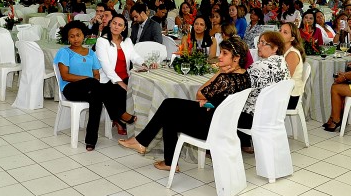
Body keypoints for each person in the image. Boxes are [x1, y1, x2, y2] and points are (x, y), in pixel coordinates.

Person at [118, 37, 251, 171]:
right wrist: (209, 100)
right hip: (223, 124)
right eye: (221, 52)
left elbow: (199, 94)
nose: (220, 56)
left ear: (236, 58)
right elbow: (213, 98)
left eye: (224, 53)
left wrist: (219, 73)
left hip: (211, 128)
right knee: (169, 108)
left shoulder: (225, 78)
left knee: (169, 111)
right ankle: (160, 156)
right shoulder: (245, 75)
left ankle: (147, 145)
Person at [55, 21, 114, 151]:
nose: (75, 39)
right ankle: (117, 113)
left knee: (96, 98)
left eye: (78, 35)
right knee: (96, 84)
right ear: (67, 38)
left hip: (90, 90)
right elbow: (65, 76)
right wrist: (88, 79)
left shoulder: (91, 53)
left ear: (84, 36)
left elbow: (97, 74)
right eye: (72, 36)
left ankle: (91, 141)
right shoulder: (64, 52)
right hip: (70, 88)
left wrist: (92, 81)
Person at [95, 15, 148, 135]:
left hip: (125, 76)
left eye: (120, 25)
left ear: (124, 28)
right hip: (107, 78)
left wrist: (144, 63)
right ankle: (121, 116)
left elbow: (134, 56)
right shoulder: (102, 41)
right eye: (114, 23)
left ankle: (128, 121)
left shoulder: (127, 41)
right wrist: (121, 83)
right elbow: (106, 67)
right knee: (114, 90)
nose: (116, 26)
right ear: (110, 24)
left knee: (141, 88)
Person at [237, 31, 290, 152]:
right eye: (259, 42)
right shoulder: (283, 63)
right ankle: (244, 142)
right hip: (273, 115)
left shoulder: (260, 66)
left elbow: (239, 86)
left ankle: (214, 147)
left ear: (275, 48)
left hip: (255, 118)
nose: (258, 46)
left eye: (263, 43)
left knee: (223, 104)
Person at [279, 23, 305, 109]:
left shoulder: (292, 54)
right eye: (280, 30)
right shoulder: (281, 50)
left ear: (292, 38)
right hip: (284, 91)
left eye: (285, 32)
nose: (280, 33)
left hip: (291, 95)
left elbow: (285, 78)